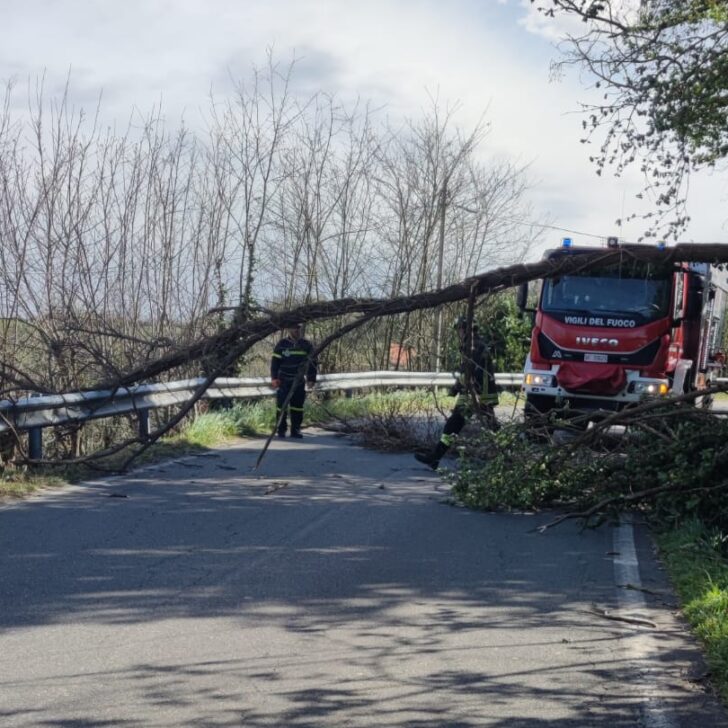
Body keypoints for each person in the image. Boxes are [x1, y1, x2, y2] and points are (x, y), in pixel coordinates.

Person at [415, 316, 499, 469]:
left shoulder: (472, 346)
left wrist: (455, 388)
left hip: (475, 393)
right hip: (481, 393)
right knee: (489, 426)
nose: (458, 333)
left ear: (465, 329)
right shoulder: (477, 344)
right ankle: (509, 454)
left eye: (459, 329)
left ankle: (435, 457)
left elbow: (468, 372)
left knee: (453, 425)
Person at [271, 323, 317, 438]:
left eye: (299, 328)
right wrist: (274, 378)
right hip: (283, 380)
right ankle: (281, 429)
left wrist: (311, 379)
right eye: (294, 328)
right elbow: (275, 363)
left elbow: (313, 363)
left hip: (299, 381)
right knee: (281, 406)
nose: (297, 330)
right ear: (288, 329)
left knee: (297, 406)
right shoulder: (282, 345)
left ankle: (295, 430)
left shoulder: (306, 345)